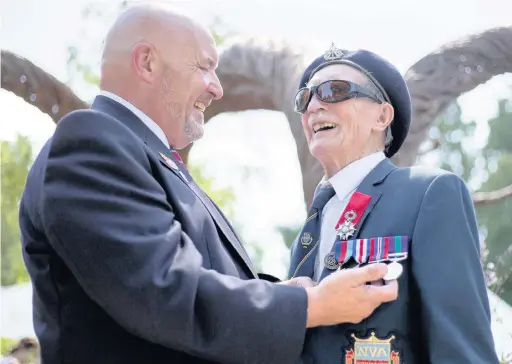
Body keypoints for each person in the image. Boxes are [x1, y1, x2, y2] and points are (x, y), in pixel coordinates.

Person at [18, 6, 399, 364]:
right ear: (147, 62)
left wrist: (289, 292)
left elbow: (196, 277)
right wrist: (312, 305)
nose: (216, 88)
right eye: (204, 67)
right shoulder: (92, 141)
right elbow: (162, 290)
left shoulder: (148, 156)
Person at [288, 44, 499, 363]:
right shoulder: (309, 231)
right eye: (305, 98)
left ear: (382, 115)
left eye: (334, 91)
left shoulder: (429, 192)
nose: (314, 105)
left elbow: (461, 349)